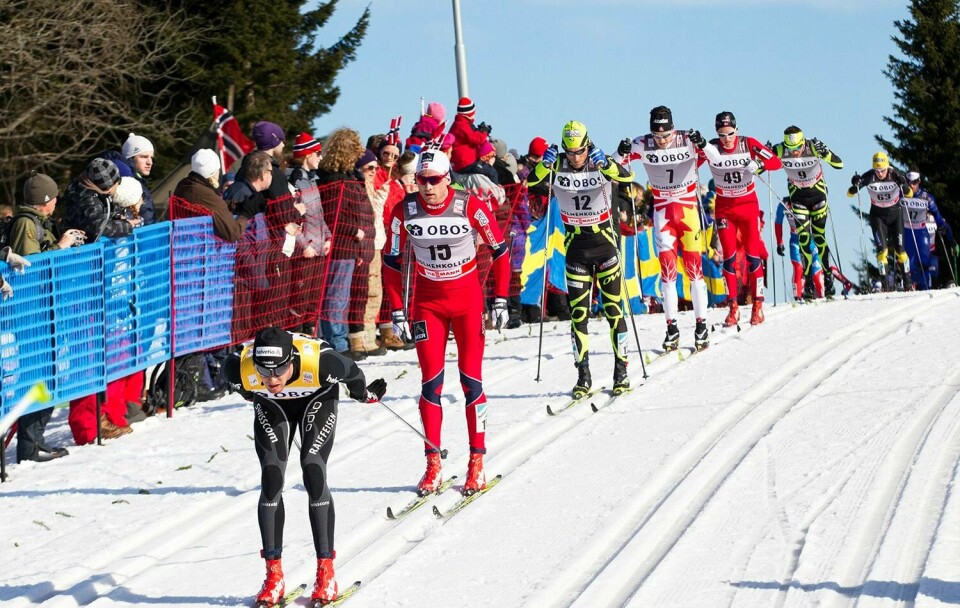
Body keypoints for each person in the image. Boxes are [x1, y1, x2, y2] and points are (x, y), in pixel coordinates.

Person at [223, 326, 386, 607]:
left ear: (291, 361)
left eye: (279, 371)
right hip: (274, 407)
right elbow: (246, 389)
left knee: (313, 468)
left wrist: (364, 395)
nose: (272, 378)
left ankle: (326, 573)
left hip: (317, 399)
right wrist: (257, 392)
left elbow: (353, 373)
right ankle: (273, 576)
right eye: (264, 372)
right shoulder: (238, 367)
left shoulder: (321, 362)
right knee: (272, 479)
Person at [382, 148, 510, 496]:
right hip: (428, 305)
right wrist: (397, 309)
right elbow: (391, 261)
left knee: (471, 381)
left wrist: (500, 299)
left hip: (467, 301)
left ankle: (477, 461)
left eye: (434, 180)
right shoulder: (404, 210)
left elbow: (499, 251)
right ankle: (433, 462)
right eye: (421, 181)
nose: (427, 188)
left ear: (447, 179)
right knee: (430, 384)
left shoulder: (469, 205)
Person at [528, 120, 635, 397]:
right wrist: (543, 164)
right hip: (576, 248)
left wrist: (608, 165)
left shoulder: (600, 160)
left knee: (614, 311)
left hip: (605, 246)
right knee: (578, 315)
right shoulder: (556, 165)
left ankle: (621, 372)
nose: (576, 158)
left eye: (581, 151)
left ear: (588, 145)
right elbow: (530, 182)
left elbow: (626, 179)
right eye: (571, 152)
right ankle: (583, 376)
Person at [617, 106, 719, 351]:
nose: (662, 142)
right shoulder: (643, 143)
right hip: (663, 214)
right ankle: (671, 328)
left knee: (695, 272)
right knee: (668, 275)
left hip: (688, 213)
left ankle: (701, 325)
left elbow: (716, 158)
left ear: (673, 129)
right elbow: (614, 165)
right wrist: (620, 152)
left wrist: (703, 143)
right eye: (657, 136)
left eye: (666, 136)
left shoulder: (686, 139)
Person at [7, 171, 80, 462]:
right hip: (32, 313)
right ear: (45, 200)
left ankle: (35, 439)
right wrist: (60, 248)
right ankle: (29, 444)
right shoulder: (26, 224)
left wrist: (60, 244)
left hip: (43, 310)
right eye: (54, 197)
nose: (56, 202)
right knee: (37, 375)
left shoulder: (37, 223)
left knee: (46, 374)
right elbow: (30, 268)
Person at [705, 111, 782, 326]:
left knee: (752, 256)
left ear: (736, 130)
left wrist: (760, 165)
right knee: (728, 259)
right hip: (724, 208)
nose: (726, 139)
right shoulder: (712, 148)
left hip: (747, 205)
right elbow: (691, 164)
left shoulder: (748, 144)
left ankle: (758, 305)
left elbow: (776, 162)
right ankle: (733, 307)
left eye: (730, 133)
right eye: (722, 134)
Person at [771, 126, 843, 296]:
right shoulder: (780, 149)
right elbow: (760, 169)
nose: (794, 152)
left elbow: (839, 164)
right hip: (798, 197)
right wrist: (764, 156)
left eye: (797, 148)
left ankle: (827, 276)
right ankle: (808, 280)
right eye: (791, 149)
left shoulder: (812, 146)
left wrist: (825, 153)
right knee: (803, 238)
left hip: (818, 195)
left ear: (803, 142)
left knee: (818, 237)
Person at [847, 152, 911, 285]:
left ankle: (908, 283)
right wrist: (855, 183)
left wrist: (903, 185)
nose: (880, 173)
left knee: (900, 251)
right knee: (882, 251)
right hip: (878, 216)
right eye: (877, 170)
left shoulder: (894, 174)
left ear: (887, 166)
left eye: (882, 170)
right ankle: (885, 284)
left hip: (895, 215)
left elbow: (909, 193)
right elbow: (850, 193)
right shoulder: (870, 176)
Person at [901, 170, 955, 290]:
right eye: (909, 182)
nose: (911, 185)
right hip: (907, 233)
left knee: (924, 263)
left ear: (919, 181)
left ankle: (926, 290)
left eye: (914, 182)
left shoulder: (926, 198)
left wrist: (951, 239)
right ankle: (909, 288)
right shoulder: (901, 195)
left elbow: (939, 219)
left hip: (921, 232)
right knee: (908, 265)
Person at [775, 197, 824, 301]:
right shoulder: (784, 205)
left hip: (811, 242)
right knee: (798, 267)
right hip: (795, 240)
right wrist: (779, 242)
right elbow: (778, 222)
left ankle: (822, 296)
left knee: (815, 273)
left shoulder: (806, 200)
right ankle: (797, 297)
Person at [120, 133, 157, 224]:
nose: (150, 162)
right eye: (144, 157)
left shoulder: (138, 183)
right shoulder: (125, 185)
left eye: (151, 157)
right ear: (131, 159)